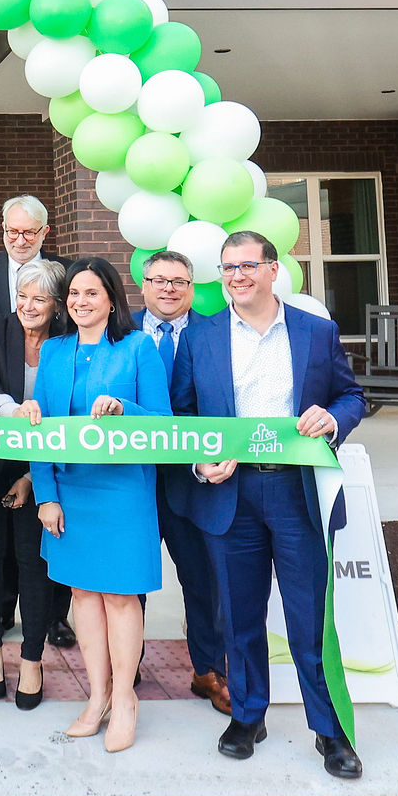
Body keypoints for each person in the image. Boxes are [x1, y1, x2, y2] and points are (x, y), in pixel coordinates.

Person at [168, 231, 368, 780]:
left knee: (308, 620)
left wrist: (334, 419)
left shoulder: (315, 332)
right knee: (239, 615)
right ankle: (248, 716)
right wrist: (199, 460)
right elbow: (184, 415)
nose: (237, 276)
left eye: (248, 266)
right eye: (228, 268)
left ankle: (329, 731)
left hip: (296, 492)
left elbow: (352, 396)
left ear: (273, 270)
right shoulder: (201, 338)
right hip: (229, 494)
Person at [26, 256, 169, 752]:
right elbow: (38, 430)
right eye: (74, 294)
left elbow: (163, 424)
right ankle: (99, 695)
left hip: (123, 493)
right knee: (83, 596)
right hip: (70, 492)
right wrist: (45, 495)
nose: (81, 302)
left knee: (119, 596)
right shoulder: (54, 351)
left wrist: (124, 410)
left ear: (111, 298)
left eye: (92, 292)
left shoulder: (138, 347)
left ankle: (126, 698)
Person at [0, 194, 74, 649]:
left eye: (29, 231)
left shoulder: (65, 321)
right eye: (12, 230)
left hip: (47, 445)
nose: (20, 239)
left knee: (43, 540)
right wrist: (7, 408)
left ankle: (50, 619)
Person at [135, 248, 231, 716]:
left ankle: (208, 669)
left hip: (195, 479)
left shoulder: (218, 332)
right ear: (144, 285)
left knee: (202, 578)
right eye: (159, 279)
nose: (168, 288)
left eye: (179, 281)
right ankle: (125, 663)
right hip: (130, 478)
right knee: (128, 577)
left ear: (192, 288)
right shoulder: (119, 331)